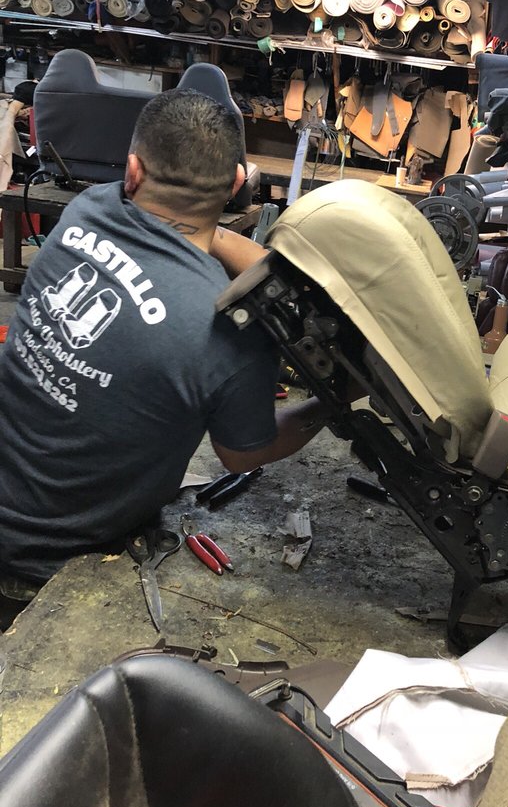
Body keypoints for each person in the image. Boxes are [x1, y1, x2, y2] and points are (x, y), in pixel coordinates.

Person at [0, 88, 329, 625]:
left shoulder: (88, 208)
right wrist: (331, 405)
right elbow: (242, 456)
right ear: (238, 184)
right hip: (52, 567)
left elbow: (191, 236)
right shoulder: (232, 329)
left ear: (132, 171)